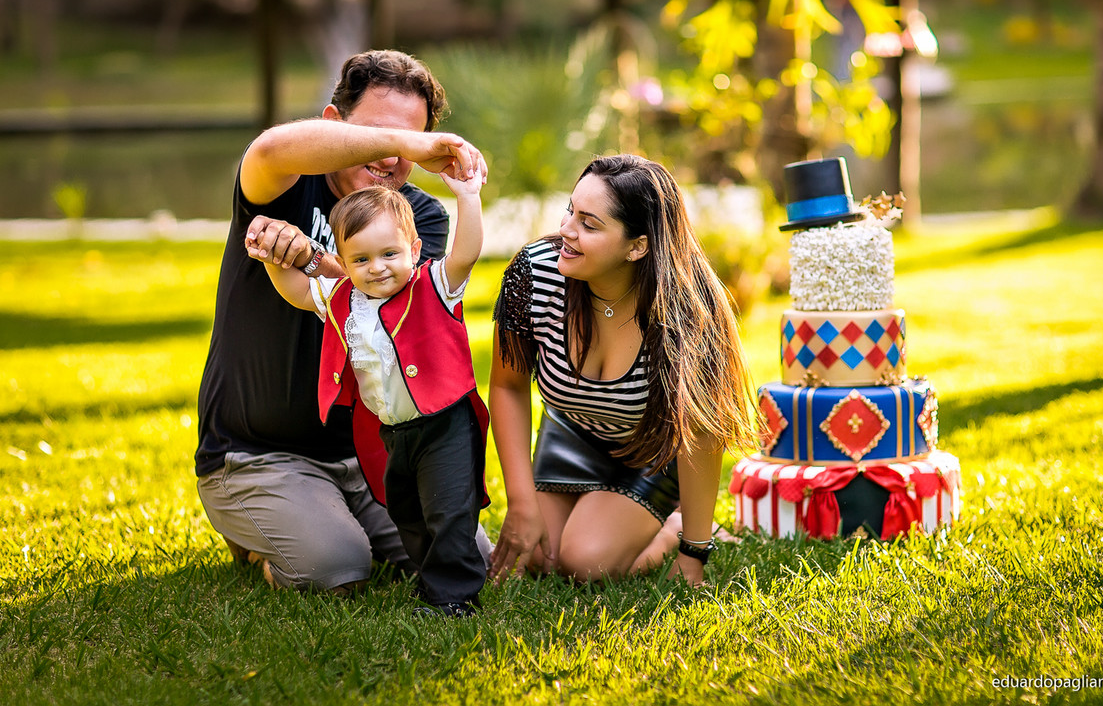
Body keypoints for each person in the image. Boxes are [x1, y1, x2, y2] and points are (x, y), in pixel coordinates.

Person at [196, 49, 490, 592]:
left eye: (411, 140)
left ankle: (331, 518)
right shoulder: (284, 181)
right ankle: (268, 524)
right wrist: (406, 144)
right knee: (336, 567)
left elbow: (379, 300)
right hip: (261, 454)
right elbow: (269, 147)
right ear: (334, 125)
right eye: (377, 135)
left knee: (470, 552)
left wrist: (313, 260)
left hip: (373, 454)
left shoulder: (416, 217)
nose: (391, 159)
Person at [487, 154, 754, 587]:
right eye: (570, 211)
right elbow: (508, 386)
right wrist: (520, 502)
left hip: (651, 451)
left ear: (638, 246)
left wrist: (693, 553)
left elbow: (703, 436)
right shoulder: (534, 274)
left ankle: (671, 527)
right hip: (571, 434)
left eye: (590, 225)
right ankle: (598, 513)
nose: (566, 232)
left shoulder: (688, 312)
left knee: (584, 562)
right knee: (540, 556)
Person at [247, 181, 489, 617]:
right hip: (394, 434)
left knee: (449, 512)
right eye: (361, 259)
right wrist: (272, 258)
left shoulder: (433, 284)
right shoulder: (344, 298)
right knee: (406, 511)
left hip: (445, 425)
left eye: (389, 254)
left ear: (414, 250)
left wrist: (468, 196)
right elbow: (297, 291)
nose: (377, 268)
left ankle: (453, 598)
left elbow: (466, 253)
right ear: (342, 262)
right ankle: (430, 574)